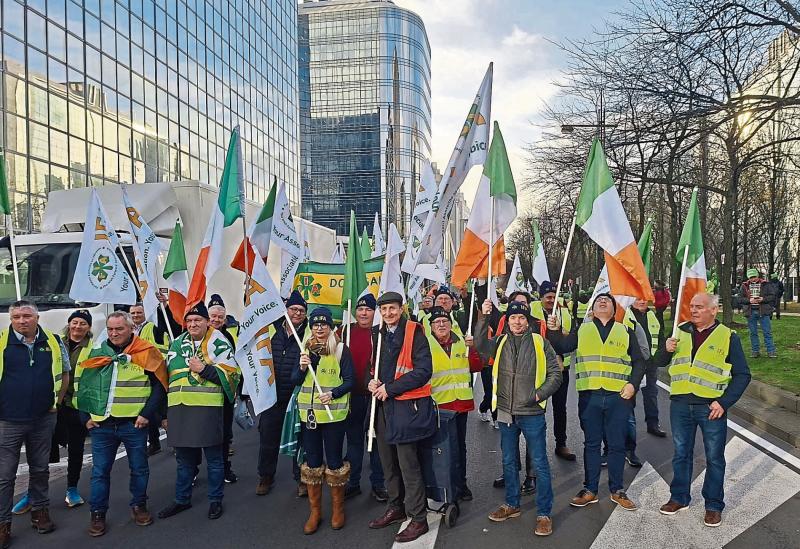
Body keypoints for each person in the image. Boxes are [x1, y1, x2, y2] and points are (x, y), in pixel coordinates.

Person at [653, 293, 751, 527]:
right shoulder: (680, 330)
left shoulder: (728, 337)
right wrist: (666, 349)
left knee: (714, 458)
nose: (693, 310)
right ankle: (679, 498)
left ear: (713, 310)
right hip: (680, 404)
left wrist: (724, 402)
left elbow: (743, 374)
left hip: (711, 407)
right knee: (681, 454)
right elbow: (658, 361)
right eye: (691, 306)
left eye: (699, 307)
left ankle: (714, 505)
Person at [548, 293, 647, 511]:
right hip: (590, 396)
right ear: (592, 309)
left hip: (618, 397)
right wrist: (553, 329)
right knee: (591, 444)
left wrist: (633, 385)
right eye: (598, 301)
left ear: (614, 309)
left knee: (616, 444)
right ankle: (590, 489)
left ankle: (617, 490)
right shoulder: (582, 330)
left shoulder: (625, 331)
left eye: (607, 301)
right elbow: (561, 346)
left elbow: (640, 362)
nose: (602, 302)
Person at [472, 299, 562, 537]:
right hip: (505, 411)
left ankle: (544, 513)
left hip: (532, 412)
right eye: (513, 317)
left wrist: (538, 395)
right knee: (509, 461)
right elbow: (480, 347)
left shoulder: (539, 342)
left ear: (528, 321)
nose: (517, 321)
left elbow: (556, 373)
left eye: (522, 318)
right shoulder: (500, 341)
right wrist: (483, 318)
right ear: (507, 320)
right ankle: (511, 504)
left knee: (540, 464)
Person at [76, 311, 167, 537]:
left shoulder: (146, 351)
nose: (114, 333)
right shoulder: (96, 351)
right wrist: (85, 417)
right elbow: (83, 385)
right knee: (99, 472)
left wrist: (147, 414)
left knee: (139, 469)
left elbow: (159, 386)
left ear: (131, 329)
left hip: (133, 424)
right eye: (110, 329)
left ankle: (139, 505)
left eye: (119, 329)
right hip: (101, 425)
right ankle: (97, 514)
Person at [158, 302, 238, 521]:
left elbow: (232, 376)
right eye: (189, 321)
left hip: (207, 410)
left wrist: (205, 369)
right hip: (180, 411)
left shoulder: (218, 342)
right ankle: (181, 499)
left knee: (214, 460)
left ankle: (215, 500)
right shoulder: (176, 344)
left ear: (206, 322)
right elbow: (166, 380)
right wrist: (164, 414)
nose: (193, 324)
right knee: (184, 461)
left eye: (197, 320)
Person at [367, 291, 435, 544]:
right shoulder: (378, 333)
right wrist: (370, 383)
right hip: (383, 409)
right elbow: (371, 367)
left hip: (407, 408)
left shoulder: (414, 331)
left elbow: (423, 371)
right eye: (383, 310)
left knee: (409, 465)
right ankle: (397, 507)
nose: (388, 314)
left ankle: (418, 519)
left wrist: (390, 388)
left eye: (392, 309)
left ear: (401, 308)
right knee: (388, 463)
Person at [0, 301, 70, 546]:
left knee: (40, 469)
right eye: (17, 316)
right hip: (8, 420)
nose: (22, 320)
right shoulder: (1, 343)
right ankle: (3, 524)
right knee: (5, 475)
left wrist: (56, 403)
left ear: (37, 317)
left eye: (27, 315)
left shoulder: (53, 341)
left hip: (43, 417)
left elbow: (65, 373)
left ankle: (40, 512)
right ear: (11, 319)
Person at [294, 307, 353, 534]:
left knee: (335, 463)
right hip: (309, 416)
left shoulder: (340, 350)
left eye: (324, 324)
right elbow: (295, 380)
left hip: (333, 417)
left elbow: (350, 380)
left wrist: (334, 393)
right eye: (315, 325)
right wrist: (300, 367)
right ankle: (315, 512)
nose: (319, 328)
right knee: (313, 463)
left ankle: (338, 509)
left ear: (330, 327)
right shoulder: (305, 350)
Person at [426, 307, 482, 502]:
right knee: (443, 449)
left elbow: (476, 366)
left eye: (445, 321)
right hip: (439, 405)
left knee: (460, 447)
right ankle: (444, 484)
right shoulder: (426, 345)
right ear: (431, 327)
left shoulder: (461, 342)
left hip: (461, 404)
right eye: (437, 322)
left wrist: (473, 348)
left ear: (451, 324)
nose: (441, 325)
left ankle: (461, 484)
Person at [257, 290, 308, 496]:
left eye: (301, 310)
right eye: (293, 309)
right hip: (272, 396)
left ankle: (301, 479)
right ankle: (266, 477)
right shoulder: (271, 331)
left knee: (300, 440)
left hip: (295, 396)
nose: (297, 313)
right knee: (268, 439)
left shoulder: (308, 335)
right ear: (286, 310)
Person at [339, 294, 387, 502]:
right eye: (360, 309)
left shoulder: (381, 332)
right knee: (354, 441)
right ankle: (353, 482)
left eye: (368, 309)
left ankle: (378, 483)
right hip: (352, 394)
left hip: (375, 395)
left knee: (376, 441)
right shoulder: (345, 331)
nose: (364, 313)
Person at [530, 281, 577, 461]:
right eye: (547, 297)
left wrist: (561, 332)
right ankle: (536, 445)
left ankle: (561, 443)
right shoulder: (531, 310)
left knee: (560, 407)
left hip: (560, 368)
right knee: (537, 407)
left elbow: (571, 338)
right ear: (540, 297)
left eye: (553, 296)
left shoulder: (564, 312)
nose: (551, 300)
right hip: (537, 368)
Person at [53, 311, 94, 508]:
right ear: (69, 324)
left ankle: (72, 488)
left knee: (76, 449)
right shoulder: (55, 343)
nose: (78, 327)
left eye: (83, 324)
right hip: (53, 405)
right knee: (43, 451)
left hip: (77, 406)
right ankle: (32, 493)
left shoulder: (92, 349)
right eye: (75, 322)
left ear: (89, 328)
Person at [129, 297, 178, 456]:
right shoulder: (128, 330)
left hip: (156, 373)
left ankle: (175, 442)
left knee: (164, 413)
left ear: (145, 314)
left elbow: (163, 348)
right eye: (133, 313)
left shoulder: (154, 329)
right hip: (138, 376)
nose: (135, 315)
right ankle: (154, 443)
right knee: (147, 410)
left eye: (139, 312)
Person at [208, 293, 240, 484]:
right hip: (203, 395)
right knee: (201, 435)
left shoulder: (229, 336)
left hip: (226, 392)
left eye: (220, 317)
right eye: (213, 317)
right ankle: (194, 470)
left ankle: (224, 469)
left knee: (224, 433)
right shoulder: (199, 338)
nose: (217, 320)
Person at [625, 299, 667, 438]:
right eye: (638, 298)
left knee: (651, 394)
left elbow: (660, 338)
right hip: (633, 363)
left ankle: (653, 424)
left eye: (644, 298)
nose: (642, 301)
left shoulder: (652, 315)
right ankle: (628, 429)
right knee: (629, 396)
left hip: (650, 363)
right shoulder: (626, 314)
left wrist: (658, 358)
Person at [740, 269, 777, 358]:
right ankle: (755, 351)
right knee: (753, 333)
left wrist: (763, 299)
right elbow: (740, 299)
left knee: (767, 332)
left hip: (763, 312)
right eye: (751, 277)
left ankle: (771, 351)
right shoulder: (744, 286)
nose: (753, 279)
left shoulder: (766, 284)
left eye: (754, 277)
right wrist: (749, 300)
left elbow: (772, 296)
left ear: (758, 276)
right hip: (750, 312)